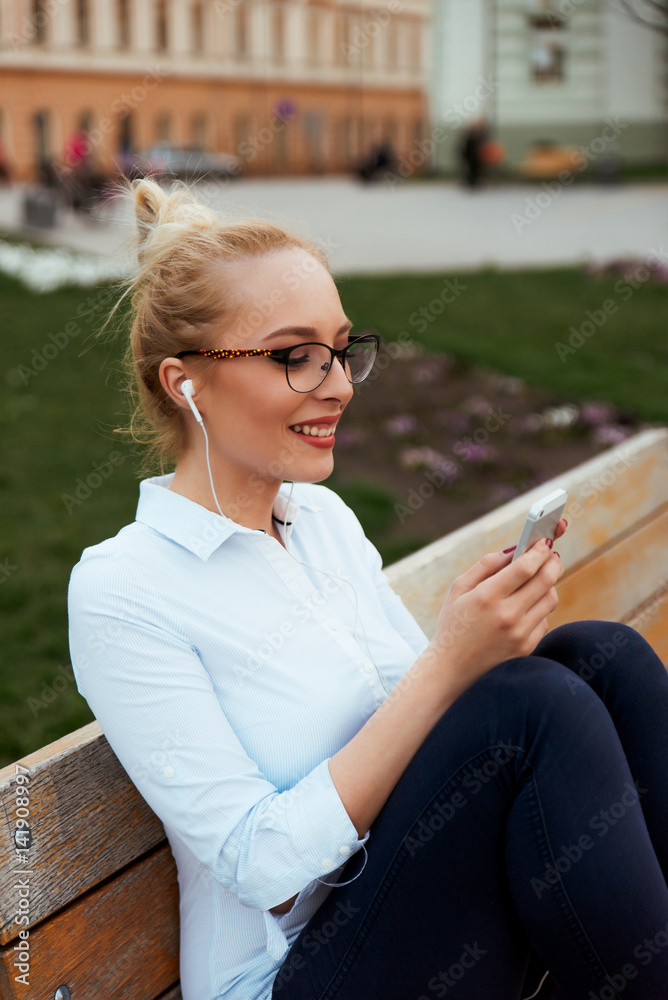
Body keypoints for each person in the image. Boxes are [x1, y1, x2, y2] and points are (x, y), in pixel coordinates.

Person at [67, 178, 668, 1000]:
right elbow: (263, 867)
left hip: (418, 907)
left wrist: (482, 638)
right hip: (296, 970)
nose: (341, 384)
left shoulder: (320, 519)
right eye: (295, 357)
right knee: (531, 705)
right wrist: (453, 664)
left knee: (597, 657)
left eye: (342, 349)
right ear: (186, 383)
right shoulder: (123, 588)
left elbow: (435, 742)